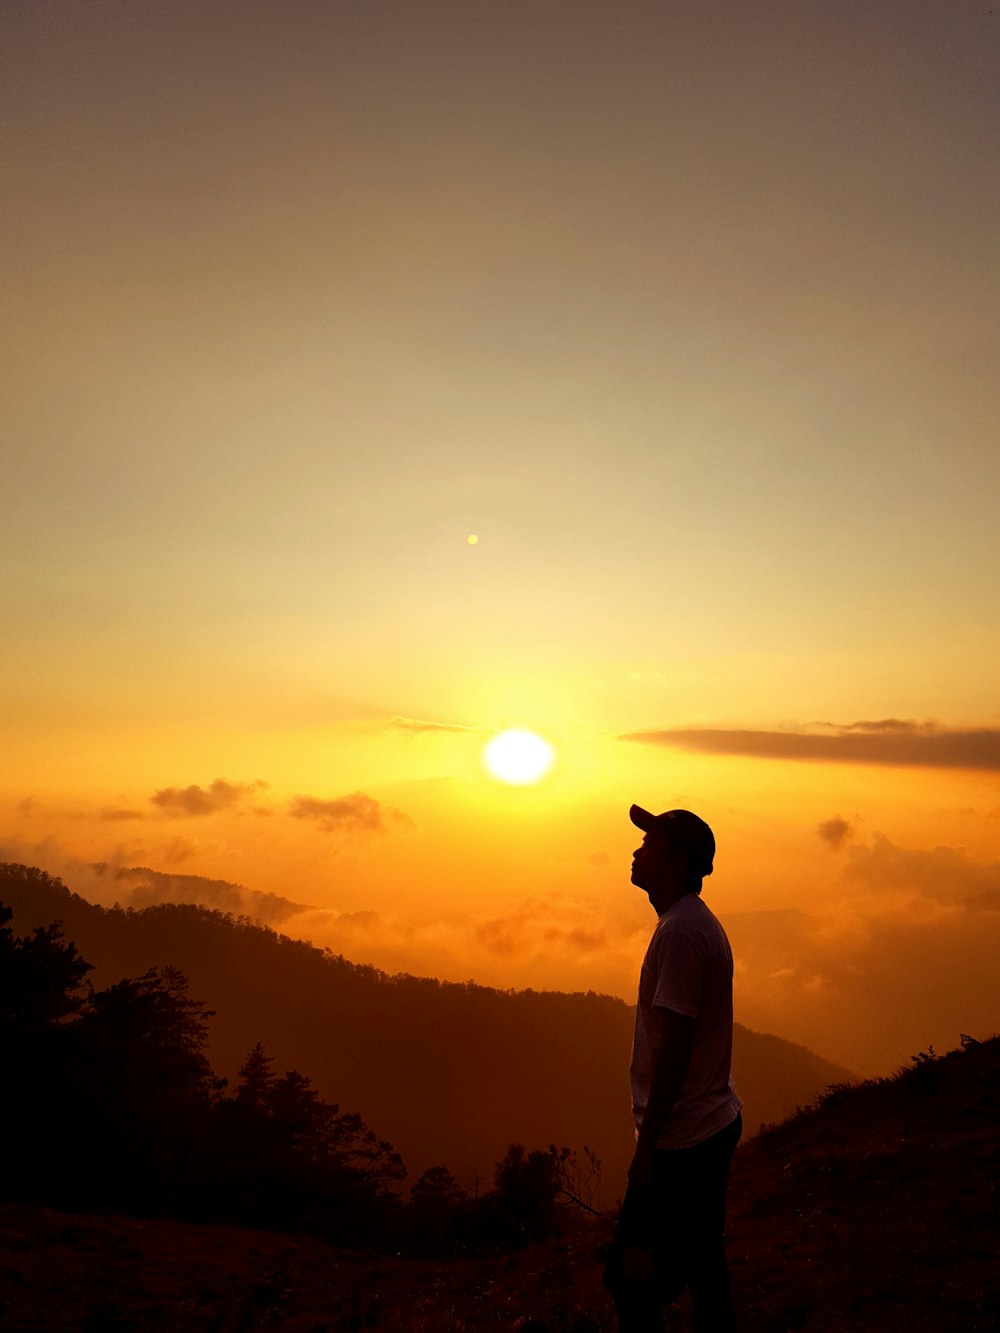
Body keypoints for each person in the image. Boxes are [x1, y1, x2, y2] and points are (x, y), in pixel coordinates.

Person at [604, 805, 743, 1333]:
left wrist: (648, 1149)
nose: (637, 851)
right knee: (704, 1263)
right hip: (707, 1125)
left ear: (680, 860)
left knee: (632, 1282)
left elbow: (676, 1049)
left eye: (651, 843)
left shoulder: (681, 935)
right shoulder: (685, 924)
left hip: (681, 1142)